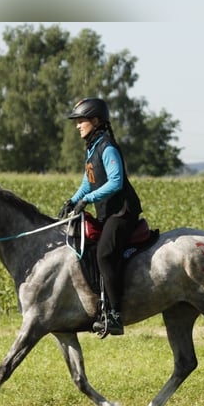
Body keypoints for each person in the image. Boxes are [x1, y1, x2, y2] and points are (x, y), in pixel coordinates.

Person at [61, 97, 143, 336]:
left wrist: (87, 200)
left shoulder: (107, 147)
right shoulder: (93, 148)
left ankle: (115, 315)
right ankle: (99, 304)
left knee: (104, 254)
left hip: (122, 212)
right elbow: (87, 183)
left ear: (95, 121)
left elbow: (116, 182)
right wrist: (74, 200)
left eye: (81, 121)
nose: (77, 126)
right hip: (108, 214)